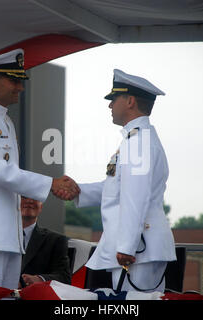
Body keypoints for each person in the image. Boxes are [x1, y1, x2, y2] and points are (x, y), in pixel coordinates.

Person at [0, 48, 79, 289]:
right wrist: (50, 183)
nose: (20, 87)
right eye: (14, 80)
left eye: (20, 81)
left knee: (8, 297)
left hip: (8, 235)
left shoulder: (5, 121)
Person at [57, 69, 176, 292]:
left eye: (114, 99)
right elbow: (118, 189)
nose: (109, 105)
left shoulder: (138, 142)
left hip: (138, 248)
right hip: (139, 246)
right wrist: (77, 190)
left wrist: (127, 246)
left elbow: (135, 198)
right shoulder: (136, 139)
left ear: (130, 101)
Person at [20, 196, 71, 286]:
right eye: (24, 197)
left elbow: (64, 277)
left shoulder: (56, 240)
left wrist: (40, 279)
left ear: (41, 207)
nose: (30, 201)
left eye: (35, 197)